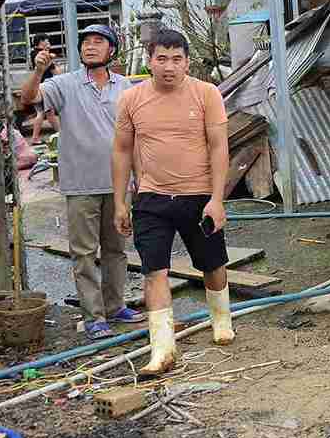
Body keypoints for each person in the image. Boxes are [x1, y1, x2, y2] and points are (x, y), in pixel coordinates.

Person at [111, 27, 231, 376]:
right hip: (151, 197)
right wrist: (120, 202)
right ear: (149, 62)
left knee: (212, 263)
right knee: (154, 270)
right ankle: (162, 348)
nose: (169, 66)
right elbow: (120, 151)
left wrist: (217, 199)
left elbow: (219, 146)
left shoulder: (206, 94)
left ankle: (221, 319)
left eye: (176, 59)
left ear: (187, 63)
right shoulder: (131, 100)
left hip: (198, 196)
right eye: (161, 58)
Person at [20, 23, 144, 339]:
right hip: (81, 185)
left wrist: (139, 179)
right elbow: (28, 97)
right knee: (85, 253)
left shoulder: (126, 87)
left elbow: (137, 135)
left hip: (119, 186)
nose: (90, 46)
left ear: (111, 50)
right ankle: (94, 317)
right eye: (85, 42)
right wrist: (38, 71)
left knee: (116, 250)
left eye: (98, 41)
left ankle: (115, 307)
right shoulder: (64, 84)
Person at [28, 39, 59, 144]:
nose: (48, 43)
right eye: (46, 41)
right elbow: (55, 71)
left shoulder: (33, 53)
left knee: (49, 113)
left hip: (38, 86)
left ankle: (62, 133)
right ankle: (35, 138)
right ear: (41, 42)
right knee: (41, 112)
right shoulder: (43, 55)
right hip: (44, 86)